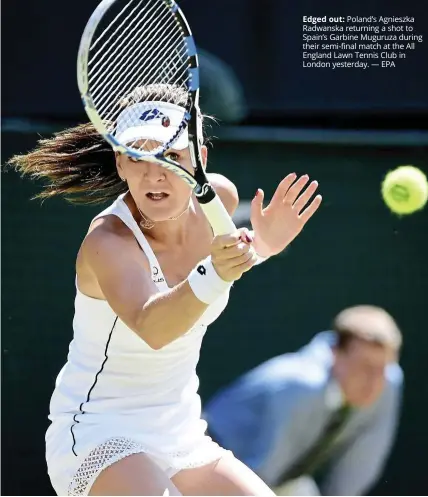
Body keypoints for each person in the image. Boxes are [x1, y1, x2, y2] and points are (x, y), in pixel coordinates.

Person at [9, 83, 322, 496]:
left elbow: (225, 263)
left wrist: (263, 246)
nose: (155, 174)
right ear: (121, 163)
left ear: (199, 161)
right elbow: (154, 327)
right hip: (97, 436)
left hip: (180, 435)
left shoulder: (219, 201)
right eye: (139, 157)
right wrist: (218, 272)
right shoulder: (109, 242)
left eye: (172, 156)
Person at [204, 305, 404, 496]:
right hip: (205, 465)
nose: (374, 381)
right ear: (335, 354)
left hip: (278, 477)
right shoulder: (300, 387)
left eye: (383, 368)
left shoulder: (389, 382)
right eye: (365, 366)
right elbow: (260, 476)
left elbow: (358, 467)